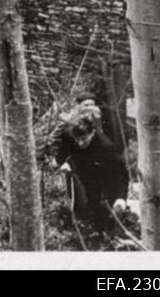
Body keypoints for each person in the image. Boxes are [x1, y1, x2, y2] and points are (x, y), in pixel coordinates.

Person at [49, 95, 129, 234]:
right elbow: (64, 150)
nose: (80, 143)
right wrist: (56, 163)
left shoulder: (106, 147)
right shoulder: (69, 135)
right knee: (91, 204)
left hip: (105, 176)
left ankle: (109, 234)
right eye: (77, 139)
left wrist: (121, 199)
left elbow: (122, 175)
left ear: (92, 133)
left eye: (84, 139)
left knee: (108, 211)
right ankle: (93, 230)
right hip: (85, 173)